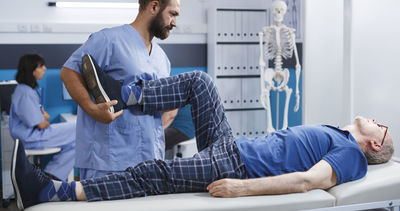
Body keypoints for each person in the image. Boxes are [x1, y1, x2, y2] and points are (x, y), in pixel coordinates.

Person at [12, 58, 394, 209]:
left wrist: (240, 188)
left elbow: (307, 182)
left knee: (154, 172)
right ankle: (125, 95)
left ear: (375, 143)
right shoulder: (338, 132)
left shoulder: (351, 155)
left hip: (239, 167)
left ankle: (54, 191)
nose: (379, 118)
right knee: (200, 82)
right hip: (232, 146)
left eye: (383, 125)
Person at [60, 0, 180, 179]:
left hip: (150, 158)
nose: (175, 22)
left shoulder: (161, 58)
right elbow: (68, 72)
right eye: (172, 14)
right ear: (154, 7)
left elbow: (165, 110)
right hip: (109, 158)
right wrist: (91, 108)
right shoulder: (109, 40)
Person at [9, 54, 76, 181]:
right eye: (41, 66)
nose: (45, 68)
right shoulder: (25, 93)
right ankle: (51, 176)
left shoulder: (25, 90)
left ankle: (51, 176)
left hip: (32, 135)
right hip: (32, 138)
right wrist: (44, 119)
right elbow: (41, 124)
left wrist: (43, 118)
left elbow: (41, 118)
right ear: (32, 70)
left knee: (77, 140)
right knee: (79, 130)